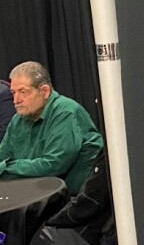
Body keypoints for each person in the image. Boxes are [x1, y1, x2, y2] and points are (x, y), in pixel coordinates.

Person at [0, 61, 103, 194]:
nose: (16, 100)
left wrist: (5, 168)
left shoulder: (66, 112)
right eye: (13, 93)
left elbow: (53, 165)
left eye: (23, 92)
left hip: (74, 199)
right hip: (38, 194)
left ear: (45, 91)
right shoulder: (18, 119)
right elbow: (3, 154)